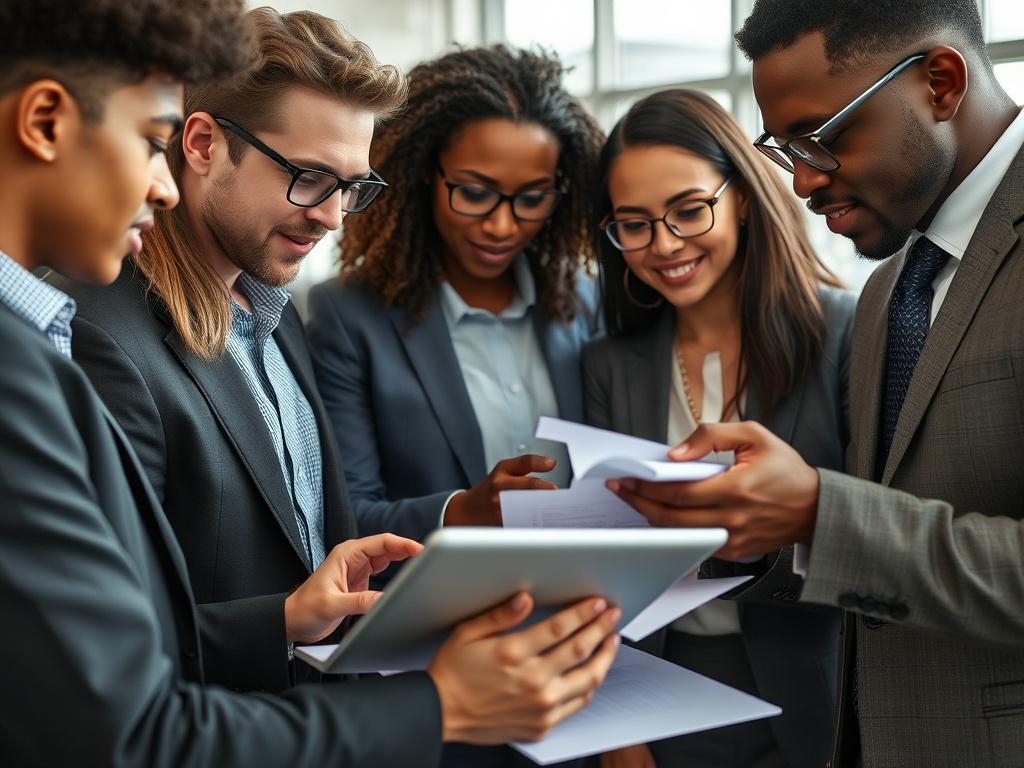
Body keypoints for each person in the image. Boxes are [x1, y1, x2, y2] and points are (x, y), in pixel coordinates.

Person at [0, 3, 620, 765]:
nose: (331, 216)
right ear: (201, 145)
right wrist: (291, 625)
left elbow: (304, 526)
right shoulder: (96, 335)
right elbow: (125, 637)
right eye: (308, 178)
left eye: (351, 187)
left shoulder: (275, 312)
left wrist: (461, 511)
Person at [608, 1, 1024, 765]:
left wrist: (819, 511)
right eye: (784, 147)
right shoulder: (888, 291)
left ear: (939, 81)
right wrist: (762, 538)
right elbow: (890, 544)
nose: (801, 181)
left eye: (821, 139)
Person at [586, 88, 849, 768]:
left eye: (688, 210)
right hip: (658, 694)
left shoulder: (844, 333)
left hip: (817, 687)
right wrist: (618, 732)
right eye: (634, 224)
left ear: (741, 194)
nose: (664, 244)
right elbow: (596, 567)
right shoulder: (609, 365)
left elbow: (879, 521)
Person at [306, 46, 604, 551]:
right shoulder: (349, 315)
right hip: (444, 618)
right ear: (427, 170)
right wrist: (460, 512)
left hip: (588, 610)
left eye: (532, 199)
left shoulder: (586, 299)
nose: (502, 225)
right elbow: (345, 516)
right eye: (474, 192)